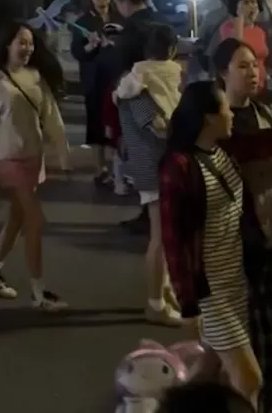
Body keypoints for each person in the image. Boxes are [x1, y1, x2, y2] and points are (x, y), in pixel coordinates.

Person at [159, 81, 272, 409]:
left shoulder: (223, 149)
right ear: (208, 118)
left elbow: (263, 144)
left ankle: (165, 406)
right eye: (225, 109)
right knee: (248, 379)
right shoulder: (179, 167)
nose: (232, 113)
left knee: (211, 370)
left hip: (234, 281)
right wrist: (188, 304)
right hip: (209, 289)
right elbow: (174, 240)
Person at [0, 22, 69, 306]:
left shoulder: (36, 77)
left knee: (17, 218)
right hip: (9, 160)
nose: (27, 48)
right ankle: (39, 292)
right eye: (21, 42)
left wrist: (62, 152)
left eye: (29, 43)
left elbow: (51, 116)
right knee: (34, 221)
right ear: (6, 45)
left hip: (33, 159)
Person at [214, 37, 272, 413]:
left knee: (267, 331)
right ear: (221, 73)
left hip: (267, 233)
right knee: (240, 341)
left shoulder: (262, 114)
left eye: (255, 64)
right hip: (233, 242)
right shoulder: (213, 121)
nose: (254, 72)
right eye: (243, 66)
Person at [114, 24, 182, 326]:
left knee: (166, 235)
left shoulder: (134, 85)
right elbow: (158, 127)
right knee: (160, 237)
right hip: (155, 166)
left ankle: (163, 291)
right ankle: (155, 303)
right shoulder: (139, 91)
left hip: (154, 164)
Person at [70, 0, 119, 188]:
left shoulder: (118, 18)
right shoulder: (83, 22)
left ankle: (119, 168)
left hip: (116, 78)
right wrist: (90, 46)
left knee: (117, 123)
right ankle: (101, 168)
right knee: (97, 124)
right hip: (94, 78)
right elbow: (77, 52)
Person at [220, 0, 269, 92]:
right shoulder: (228, 27)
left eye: (253, 2)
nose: (251, 6)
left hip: (260, 83)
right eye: (246, 3)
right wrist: (240, 16)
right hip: (241, 85)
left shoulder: (259, 31)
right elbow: (237, 48)